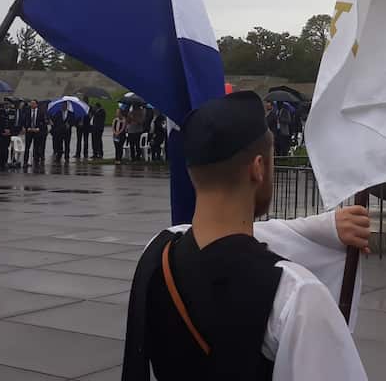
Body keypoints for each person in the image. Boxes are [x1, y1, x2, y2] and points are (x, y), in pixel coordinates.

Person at [123, 91, 369, 381]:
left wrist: (324, 228)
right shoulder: (297, 297)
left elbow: (219, 244)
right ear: (258, 168)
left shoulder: (157, 252)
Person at [21, 99, 47, 169]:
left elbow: (44, 122)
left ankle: (36, 161)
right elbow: (24, 120)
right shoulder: (27, 112)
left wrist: (39, 128)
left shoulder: (41, 112)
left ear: (36, 104)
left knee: (36, 147)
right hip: (29, 131)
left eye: (33, 103)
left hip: (37, 132)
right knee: (27, 147)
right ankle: (25, 162)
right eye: (31, 103)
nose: (32, 105)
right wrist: (26, 128)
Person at [0, 104, 15, 171]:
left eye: (8, 104)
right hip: (1, 133)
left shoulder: (12, 112)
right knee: (0, 148)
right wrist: (3, 130)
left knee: (6, 149)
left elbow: (13, 122)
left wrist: (10, 130)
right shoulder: (0, 112)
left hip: (8, 133)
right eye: (6, 104)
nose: (7, 105)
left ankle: (4, 162)